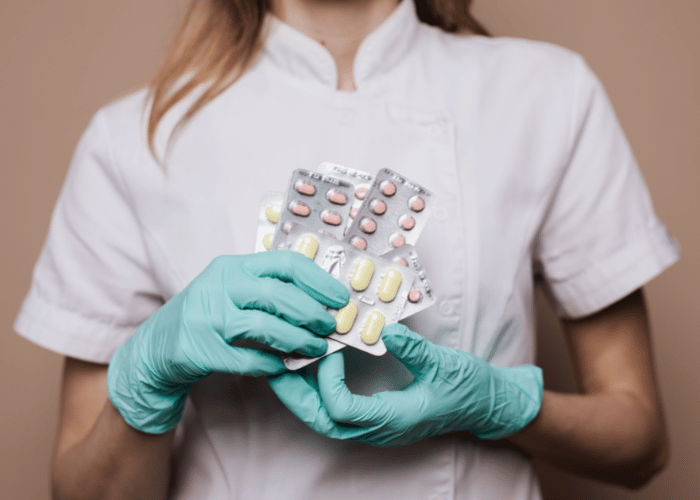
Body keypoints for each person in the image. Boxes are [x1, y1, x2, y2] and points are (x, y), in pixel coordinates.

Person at [15, 0, 680, 498]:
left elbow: (641, 443)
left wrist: (501, 403)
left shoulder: (547, 94)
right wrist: (147, 380)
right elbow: (82, 492)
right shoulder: (133, 139)